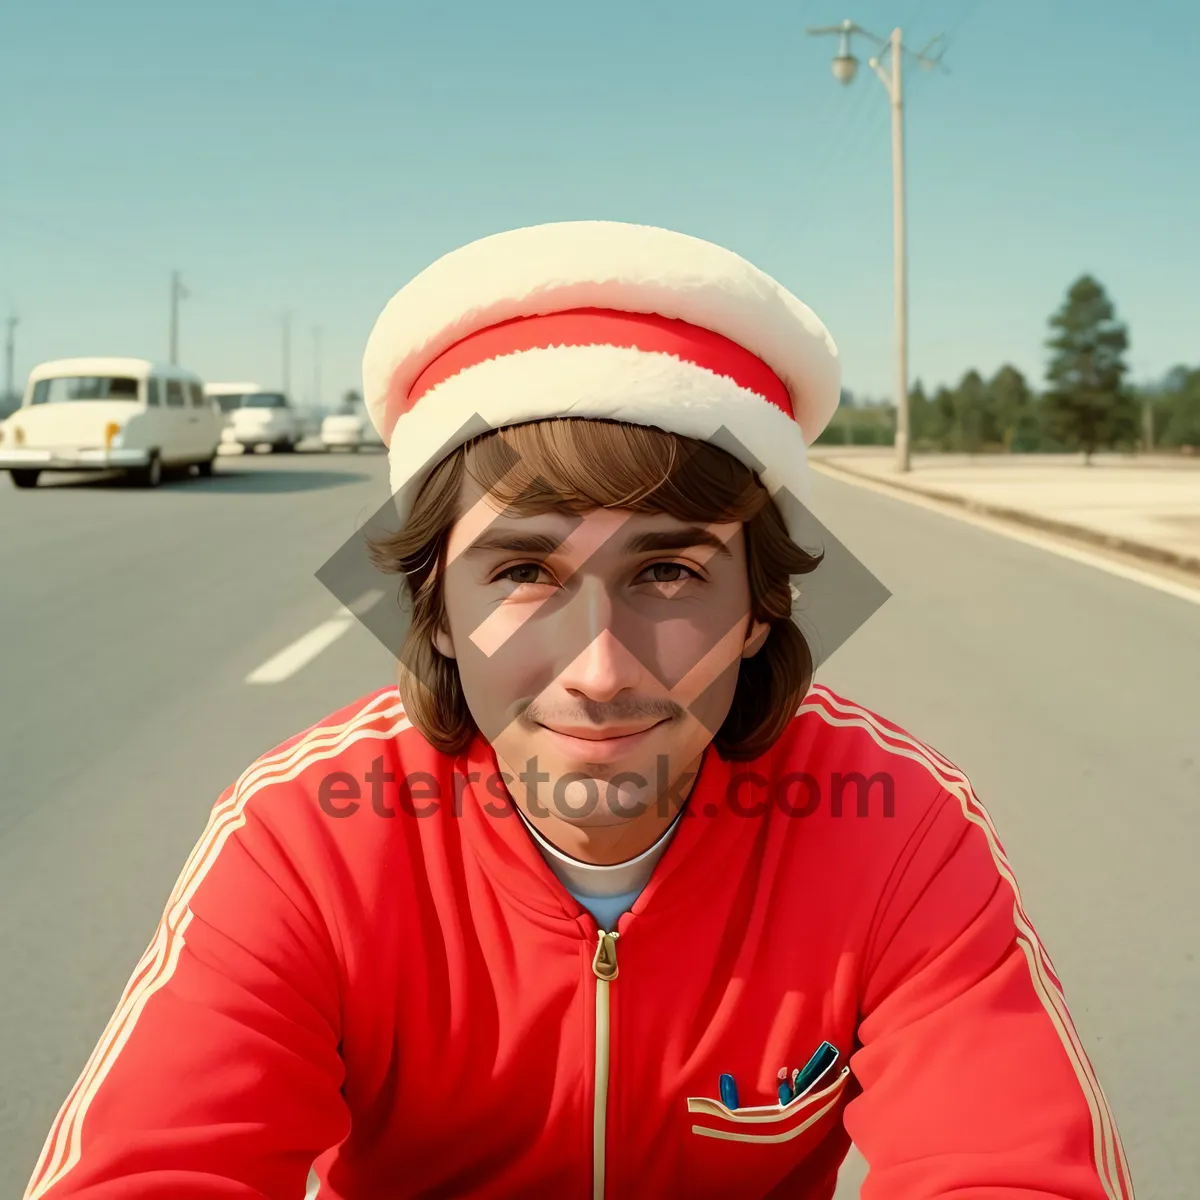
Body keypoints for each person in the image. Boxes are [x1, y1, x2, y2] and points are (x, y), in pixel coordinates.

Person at [25, 221, 1133, 1200]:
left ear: (762, 608)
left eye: (668, 574)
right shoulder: (305, 843)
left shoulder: (898, 833)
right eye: (522, 574)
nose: (601, 672)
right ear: (437, 614)